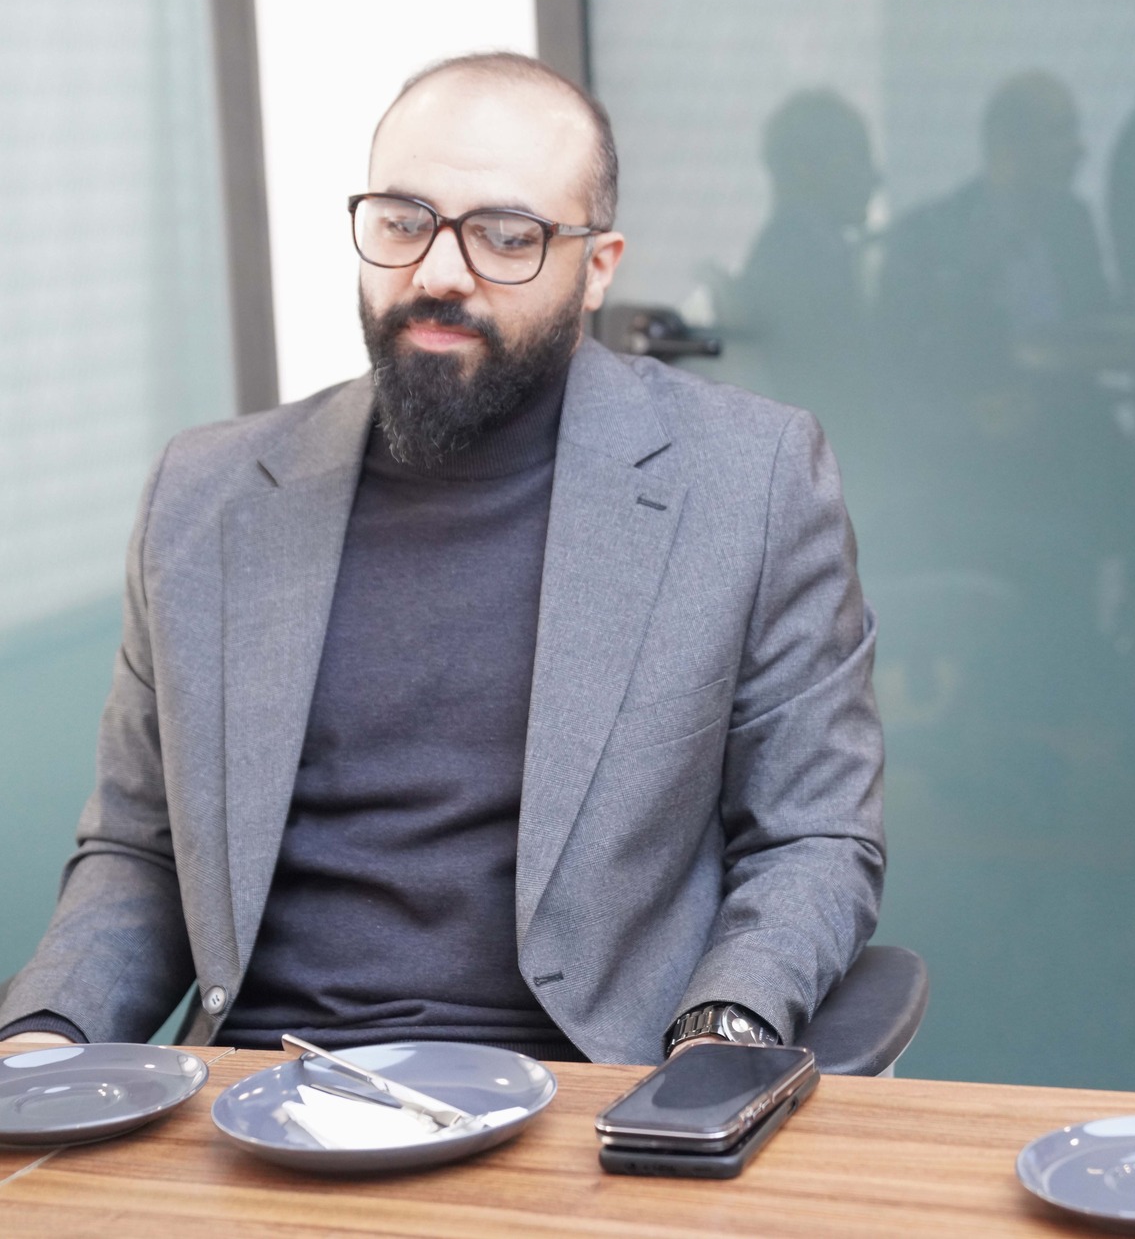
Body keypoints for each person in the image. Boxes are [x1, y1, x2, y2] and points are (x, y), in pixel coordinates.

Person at [0, 53, 885, 1066]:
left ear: (597, 267)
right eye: (403, 221)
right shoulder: (205, 497)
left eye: (506, 236)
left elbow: (814, 836)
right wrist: (45, 1034)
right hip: (260, 1096)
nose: (438, 272)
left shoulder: (749, 480)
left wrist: (721, 1034)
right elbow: (140, 849)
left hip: (589, 1098)